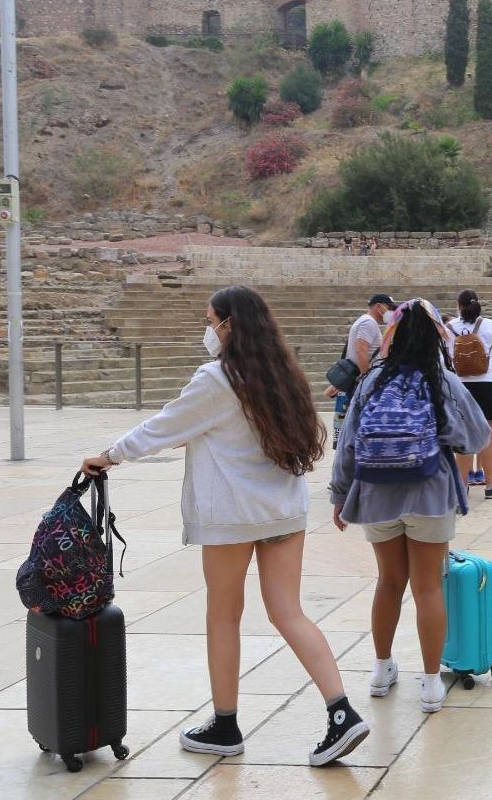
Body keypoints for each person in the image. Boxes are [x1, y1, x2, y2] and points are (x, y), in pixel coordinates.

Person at [80, 286, 369, 766]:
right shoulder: (282, 374)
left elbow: (162, 427)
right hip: (283, 510)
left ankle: (225, 723)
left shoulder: (217, 378)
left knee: (223, 615)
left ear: (229, 325)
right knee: (289, 613)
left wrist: (109, 455)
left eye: (211, 321)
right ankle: (342, 713)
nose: (208, 330)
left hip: (232, 515)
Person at [331, 299, 489, 714]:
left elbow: (348, 443)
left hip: (377, 495)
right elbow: (476, 438)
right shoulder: (443, 380)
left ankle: (381, 669)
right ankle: (432, 683)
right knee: (428, 586)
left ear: (392, 335)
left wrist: (340, 494)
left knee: (388, 582)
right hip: (430, 494)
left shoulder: (371, 380)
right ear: (436, 335)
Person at [449, 290, 492, 499]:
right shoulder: (488, 324)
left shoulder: (450, 327)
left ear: (459, 305)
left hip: (462, 386)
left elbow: (446, 357)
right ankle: (490, 486)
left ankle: (462, 487)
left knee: (464, 436)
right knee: (488, 435)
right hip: (488, 384)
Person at [326, 294, 395, 448]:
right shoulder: (368, 323)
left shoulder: (365, 321)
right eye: (389, 307)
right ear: (379, 306)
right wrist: (366, 378)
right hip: (363, 381)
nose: (390, 311)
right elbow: (361, 350)